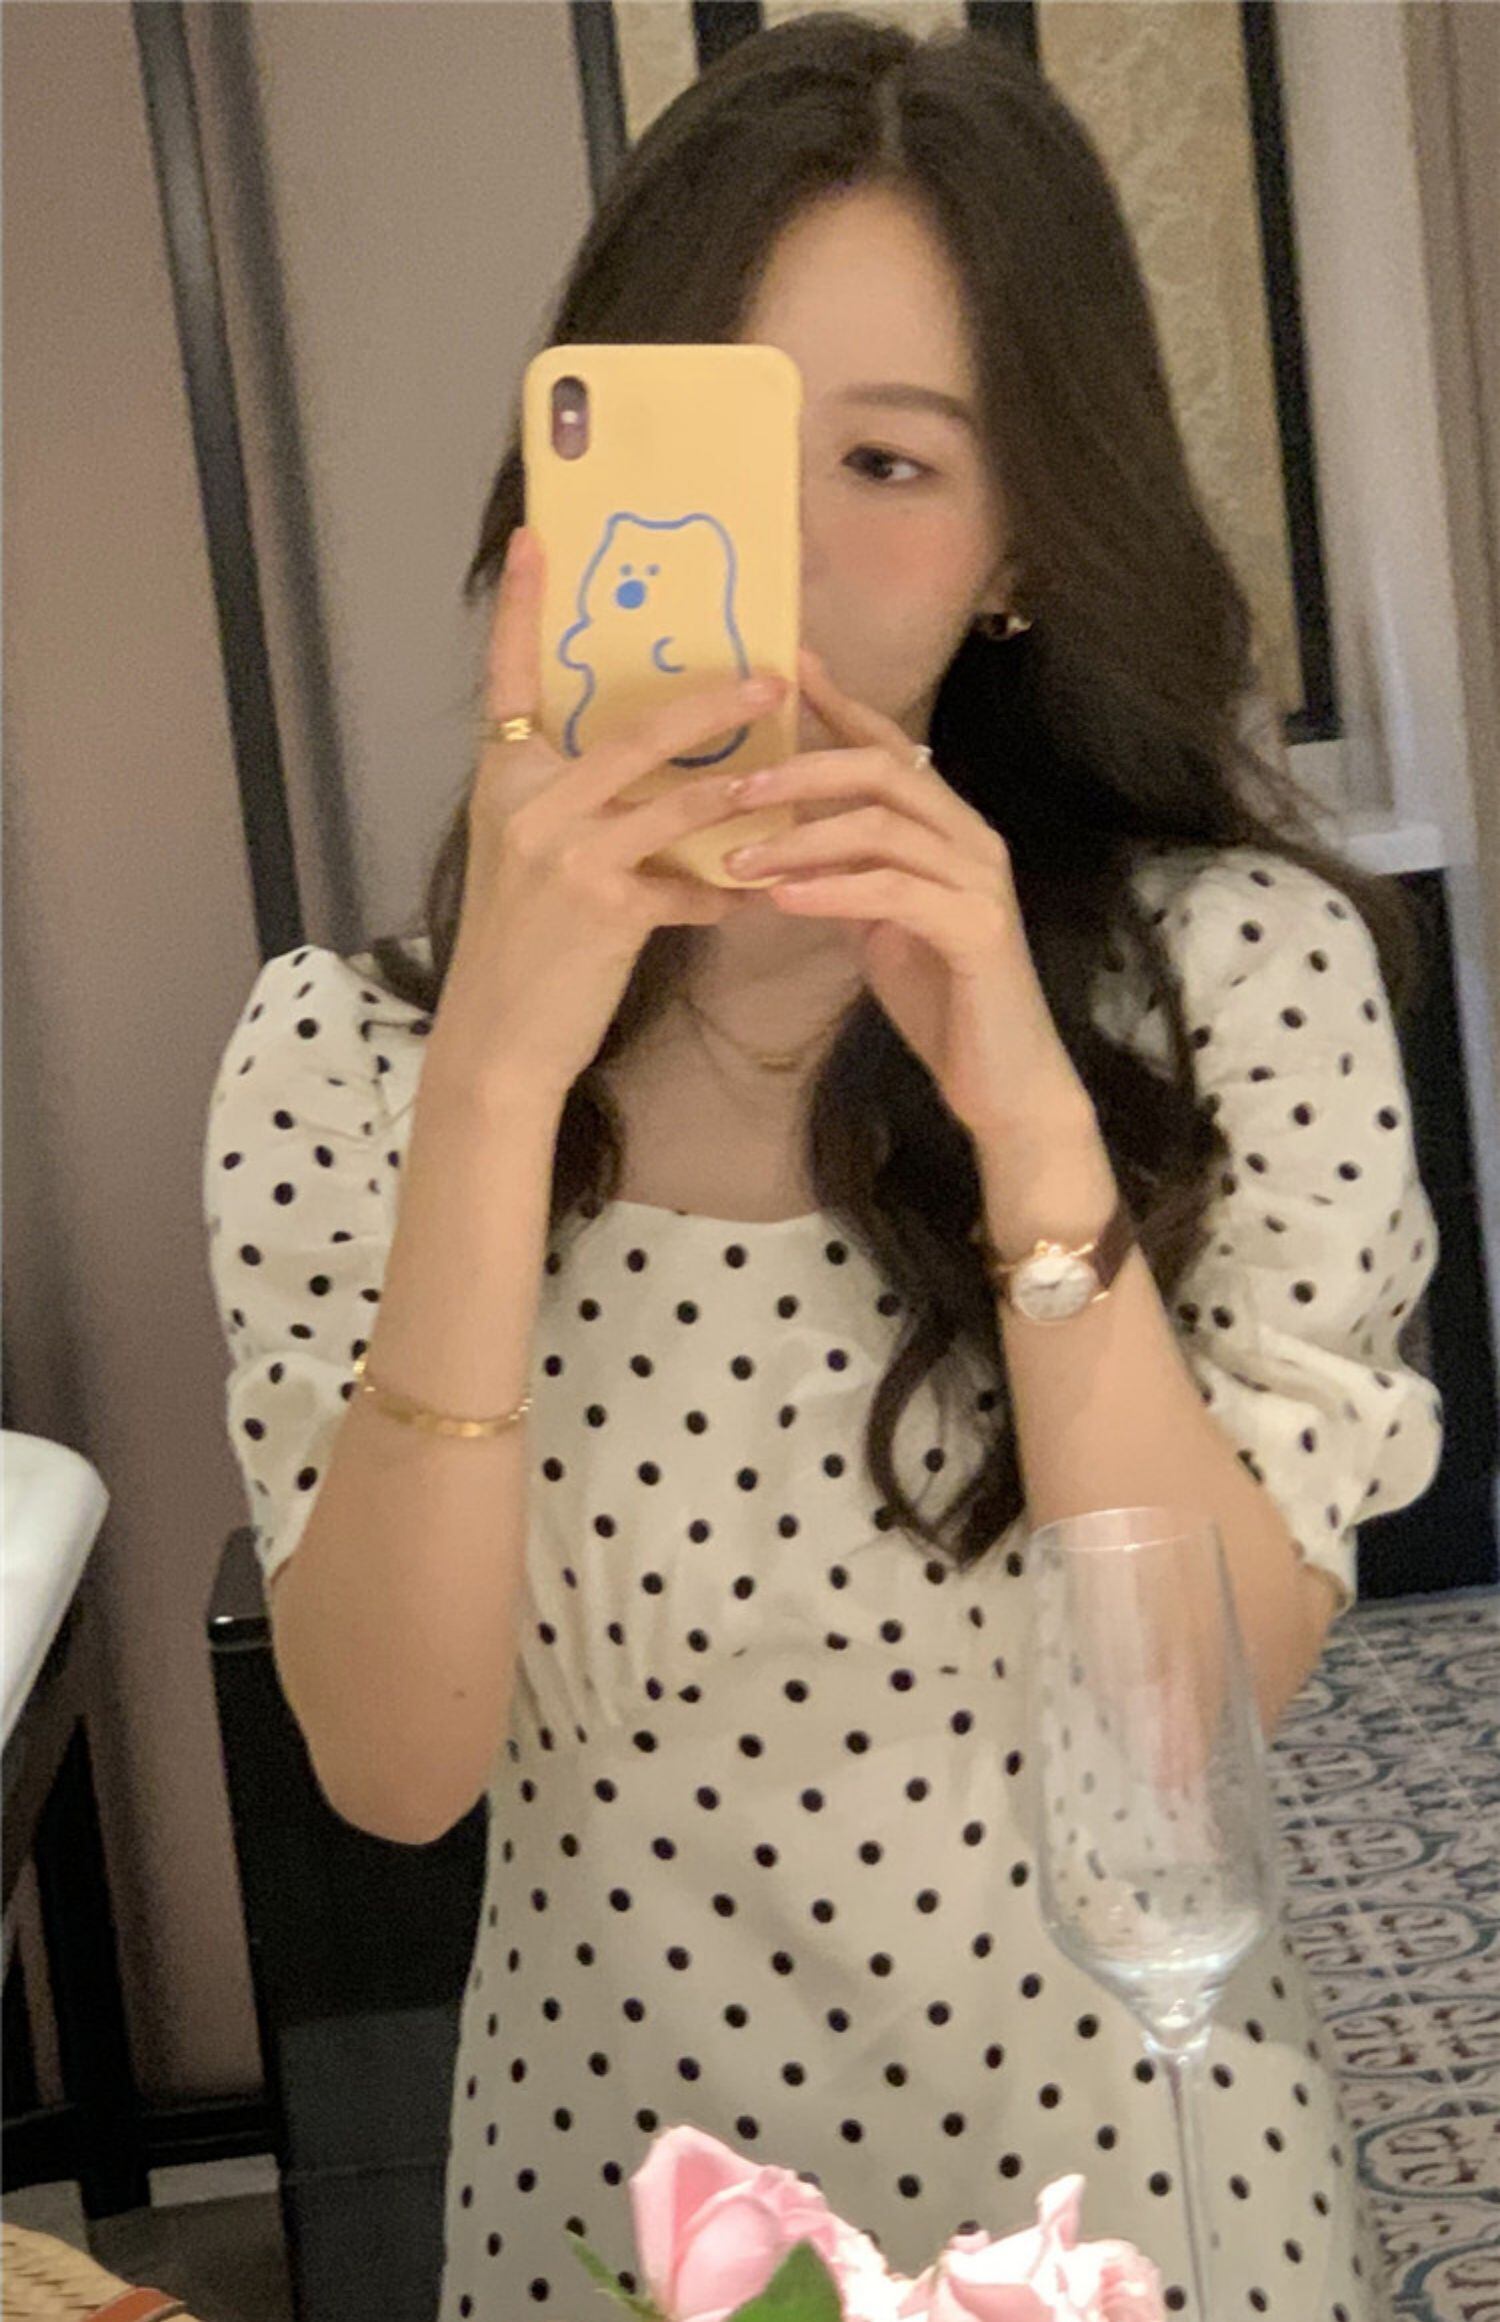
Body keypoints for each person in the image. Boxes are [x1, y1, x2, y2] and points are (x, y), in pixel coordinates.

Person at [203, 15, 1442, 2318]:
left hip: (1145, 2215)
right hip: (618, 2226)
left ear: (1018, 547)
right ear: (567, 484)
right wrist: (491, 1087)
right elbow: (392, 1768)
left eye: (886, 461)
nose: (774, 554)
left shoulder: (1238, 981)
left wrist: (1027, 1109)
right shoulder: (349, 1065)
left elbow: (1209, 1726)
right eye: (710, 439)